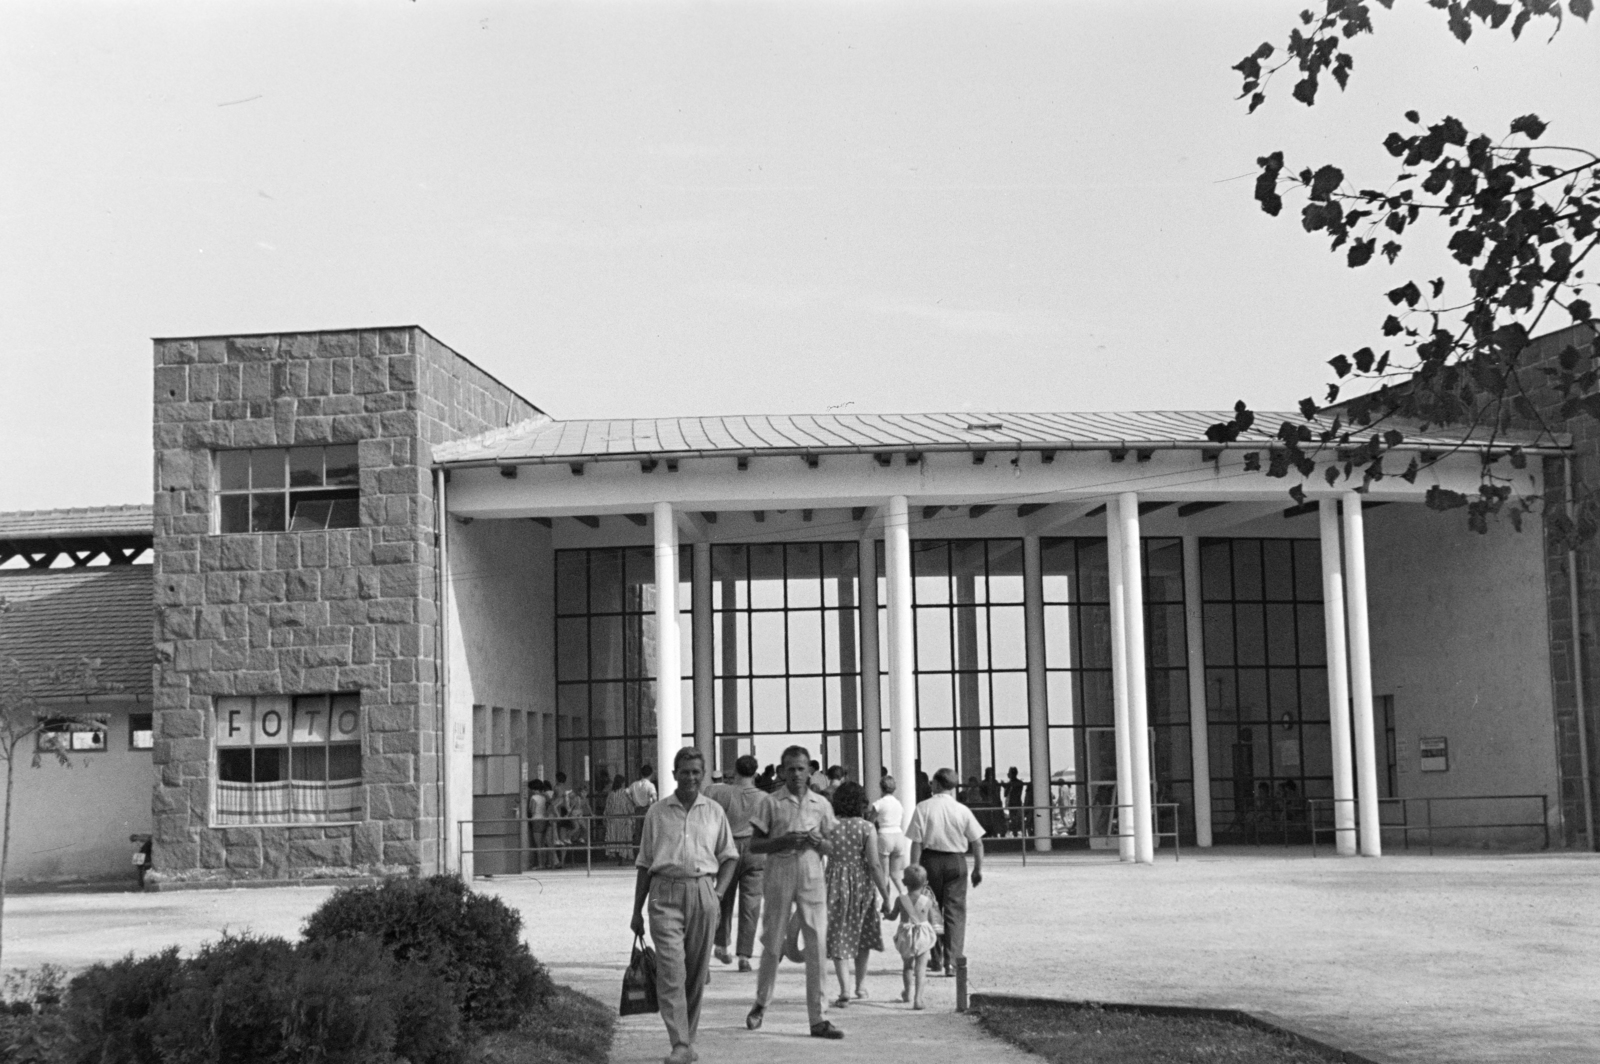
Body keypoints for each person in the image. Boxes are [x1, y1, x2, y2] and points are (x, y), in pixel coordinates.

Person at [630, 746, 738, 1064]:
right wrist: (635, 910)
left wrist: (717, 894)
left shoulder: (714, 812)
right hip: (664, 895)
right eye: (684, 771)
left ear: (702, 775)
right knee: (672, 971)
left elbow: (729, 856)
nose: (690, 777)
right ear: (674, 773)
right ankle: (679, 1042)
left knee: (695, 972)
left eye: (696, 772)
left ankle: (688, 1040)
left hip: (703, 893)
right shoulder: (657, 812)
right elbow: (644, 863)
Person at [745, 745, 844, 1040]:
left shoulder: (821, 804)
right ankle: (762, 1002)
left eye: (802, 768)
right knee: (773, 941)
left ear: (810, 770)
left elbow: (832, 846)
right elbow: (755, 845)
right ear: (781, 771)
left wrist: (817, 842)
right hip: (779, 872)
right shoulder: (771, 802)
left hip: (812, 873)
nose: (797, 774)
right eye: (791, 768)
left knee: (817, 944)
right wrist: (783, 840)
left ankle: (819, 1017)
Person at [907, 767, 985, 976]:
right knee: (955, 913)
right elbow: (977, 842)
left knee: (931, 910)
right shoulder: (962, 810)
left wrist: (915, 870)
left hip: (930, 861)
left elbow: (916, 842)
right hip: (956, 862)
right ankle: (952, 962)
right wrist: (977, 869)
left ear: (938, 784)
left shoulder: (923, 807)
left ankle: (936, 957)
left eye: (932, 782)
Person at [824, 782, 892, 1007]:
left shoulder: (829, 826)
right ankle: (860, 987)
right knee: (862, 934)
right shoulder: (866, 828)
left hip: (833, 883)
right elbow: (874, 864)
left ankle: (844, 990)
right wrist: (886, 894)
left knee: (838, 934)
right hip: (861, 884)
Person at [705, 755, 769, 972]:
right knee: (751, 903)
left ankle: (722, 945)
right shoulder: (764, 798)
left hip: (728, 847)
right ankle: (744, 955)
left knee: (724, 896)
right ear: (755, 772)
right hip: (755, 850)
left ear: (735, 770)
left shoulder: (720, 792)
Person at [889, 864, 943, 1010]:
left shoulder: (900, 900)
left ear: (904, 882)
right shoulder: (928, 901)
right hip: (923, 935)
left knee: (907, 967)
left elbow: (893, 916)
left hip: (906, 934)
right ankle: (918, 999)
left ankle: (907, 993)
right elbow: (932, 919)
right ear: (925, 883)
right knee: (921, 968)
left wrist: (887, 915)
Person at [871, 774, 911, 887]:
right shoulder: (898, 804)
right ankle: (906, 900)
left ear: (881, 787)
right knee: (896, 875)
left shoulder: (879, 803)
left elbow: (870, 822)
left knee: (884, 874)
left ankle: (886, 902)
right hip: (898, 836)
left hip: (885, 835)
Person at [604, 774, 634, 863]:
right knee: (623, 838)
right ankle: (623, 856)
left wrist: (605, 818)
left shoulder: (611, 794)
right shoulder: (625, 793)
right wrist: (632, 817)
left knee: (613, 838)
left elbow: (607, 808)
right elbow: (629, 806)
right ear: (622, 783)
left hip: (612, 819)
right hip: (623, 819)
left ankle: (613, 854)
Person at [526, 780, 550, 870]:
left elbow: (531, 810)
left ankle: (540, 864)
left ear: (533, 788)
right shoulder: (544, 797)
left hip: (536, 820)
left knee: (538, 844)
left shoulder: (534, 798)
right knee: (543, 843)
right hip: (544, 819)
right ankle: (545, 862)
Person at [1003, 767, 1027, 837]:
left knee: (1014, 821)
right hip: (1018, 803)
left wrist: (1005, 786)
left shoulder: (1011, 784)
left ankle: (1016, 835)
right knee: (1018, 821)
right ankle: (1021, 836)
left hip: (1013, 804)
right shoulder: (1020, 783)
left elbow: (1005, 794)